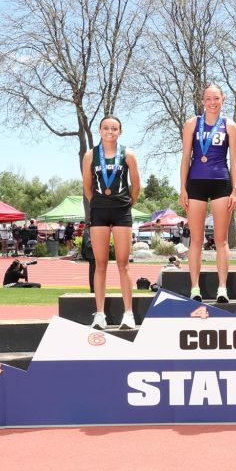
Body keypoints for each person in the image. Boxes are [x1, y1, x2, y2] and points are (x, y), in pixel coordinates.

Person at [179, 84, 236, 303]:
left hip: (221, 183)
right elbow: (186, 157)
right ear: (202, 101)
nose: (212, 102)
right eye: (208, 99)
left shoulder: (230, 126)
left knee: (221, 240)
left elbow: (234, 161)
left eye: (216, 98)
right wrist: (182, 188)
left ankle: (222, 288)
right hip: (196, 182)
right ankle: (195, 288)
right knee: (196, 239)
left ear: (223, 99)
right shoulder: (192, 124)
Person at [81, 115, 141, 330]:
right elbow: (87, 187)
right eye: (106, 128)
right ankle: (99, 314)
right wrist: (98, 203)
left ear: (120, 132)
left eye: (114, 129)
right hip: (99, 213)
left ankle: (128, 314)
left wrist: (125, 204)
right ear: (99, 130)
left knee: (123, 264)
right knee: (100, 264)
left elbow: (136, 186)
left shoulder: (128, 154)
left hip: (121, 212)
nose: (110, 132)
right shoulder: (90, 156)